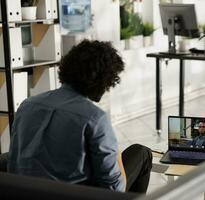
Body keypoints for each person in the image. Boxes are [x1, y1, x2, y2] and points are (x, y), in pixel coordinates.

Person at [7, 40, 152, 193]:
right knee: (142, 153)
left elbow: (13, 164)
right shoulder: (95, 118)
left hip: (24, 193)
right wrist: (116, 155)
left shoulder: (27, 105)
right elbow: (115, 189)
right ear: (104, 80)